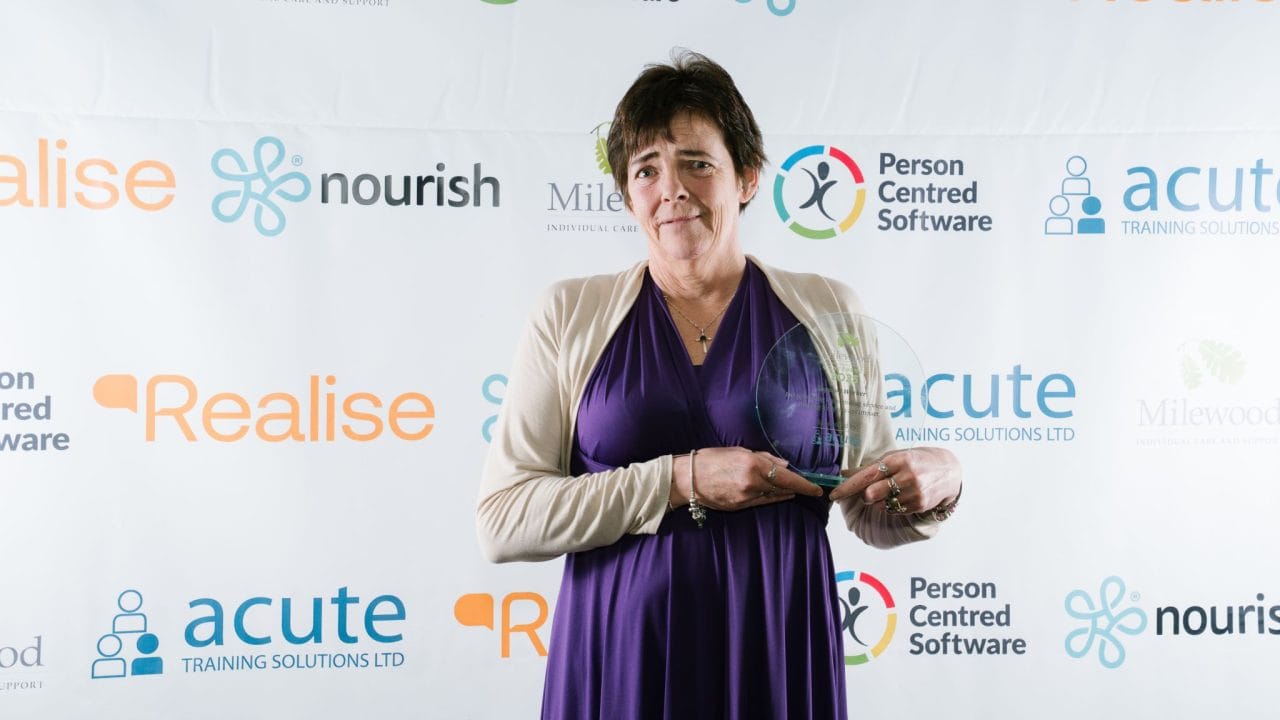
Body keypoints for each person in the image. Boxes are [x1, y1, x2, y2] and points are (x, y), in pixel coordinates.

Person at [477, 51, 962, 719]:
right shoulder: (568, 313)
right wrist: (682, 480)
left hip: (776, 644)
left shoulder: (829, 310)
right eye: (646, 170)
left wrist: (934, 486)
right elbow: (503, 521)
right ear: (627, 195)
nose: (672, 189)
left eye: (697, 163)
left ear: (748, 176)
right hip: (619, 654)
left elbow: (868, 505)